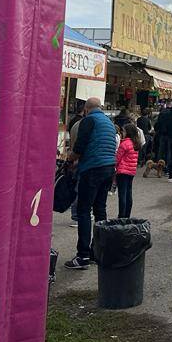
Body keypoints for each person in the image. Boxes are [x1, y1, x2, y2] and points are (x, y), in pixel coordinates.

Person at [65, 97, 118, 270]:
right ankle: (98, 251)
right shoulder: (109, 123)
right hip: (109, 169)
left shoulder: (89, 120)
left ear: (87, 109)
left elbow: (80, 146)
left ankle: (83, 256)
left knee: (83, 211)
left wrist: (70, 159)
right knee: (100, 210)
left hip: (92, 169)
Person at [115, 124, 140, 219]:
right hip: (131, 171)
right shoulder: (136, 143)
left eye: (124, 131)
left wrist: (114, 167)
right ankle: (127, 214)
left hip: (122, 171)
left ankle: (121, 215)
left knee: (122, 194)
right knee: (128, 193)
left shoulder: (124, 144)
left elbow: (117, 158)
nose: (122, 133)